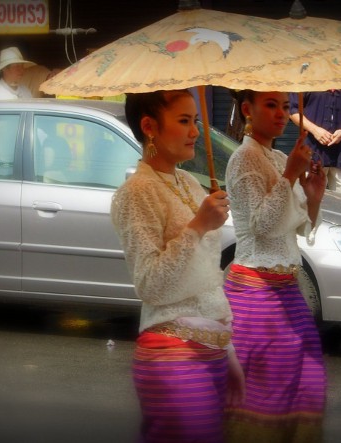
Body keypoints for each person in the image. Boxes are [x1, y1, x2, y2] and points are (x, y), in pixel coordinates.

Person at [110, 89, 245, 443]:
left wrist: (226, 350)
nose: (195, 132)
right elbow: (150, 284)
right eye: (184, 121)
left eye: (195, 121)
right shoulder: (136, 192)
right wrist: (198, 226)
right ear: (149, 126)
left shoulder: (187, 182)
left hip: (213, 354)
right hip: (172, 355)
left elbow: (206, 280)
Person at [223, 90, 327, 442]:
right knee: (263, 399)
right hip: (256, 295)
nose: (282, 114)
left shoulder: (280, 155)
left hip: (288, 290)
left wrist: (313, 195)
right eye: (271, 105)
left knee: (305, 385)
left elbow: (298, 225)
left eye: (285, 106)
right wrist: (288, 176)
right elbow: (262, 227)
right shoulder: (243, 159)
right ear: (247, 110)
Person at [289, 87, 341, 196]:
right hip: (311, 153)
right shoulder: (308, 79)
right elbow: (293, 111)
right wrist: (315, 130)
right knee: (305, 201)